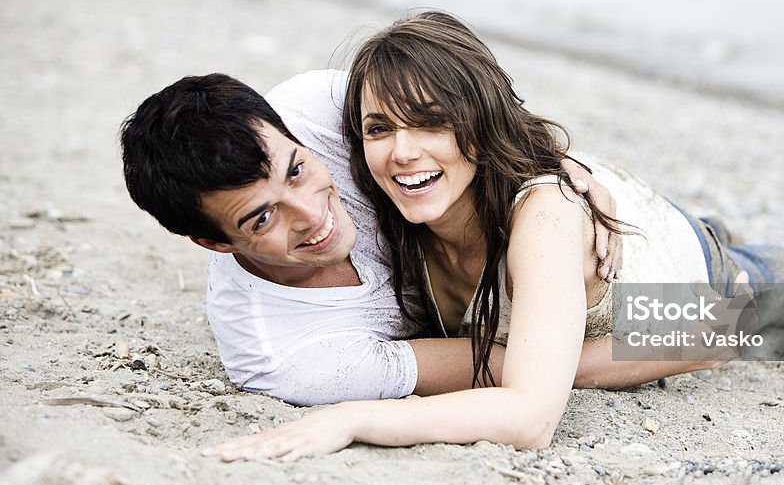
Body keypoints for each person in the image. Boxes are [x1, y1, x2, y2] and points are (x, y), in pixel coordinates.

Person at [205, 11, 784, 461]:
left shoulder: (541, 219)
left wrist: (352, 419)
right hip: (596, 257)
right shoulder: (382, 196)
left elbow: (531, 417)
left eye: (429, 122)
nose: (401, 151)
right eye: (378, 129)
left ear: (476, 125)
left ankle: (777, 261)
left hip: (694, 284)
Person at [119, 71, 719, 408]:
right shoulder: (290, 356)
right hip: (606, 301)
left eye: (297, 170)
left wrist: (559, 163)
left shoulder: (313, 109)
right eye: (261, 219)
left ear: (292, 135)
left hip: (638, 238)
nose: (311, 215)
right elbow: (512, 368)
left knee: (782, 298)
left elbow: (467, 109)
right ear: (213, 243)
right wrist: (691, 337)